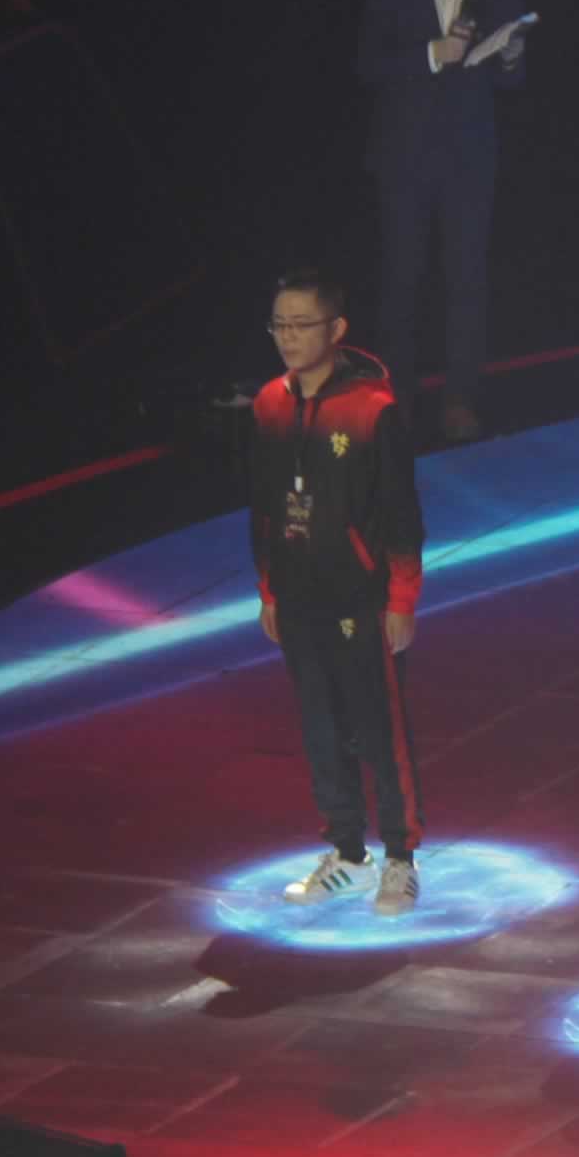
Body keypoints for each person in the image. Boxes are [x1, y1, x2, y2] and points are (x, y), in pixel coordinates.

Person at [251, 269, 427, 915]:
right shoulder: (269, 404)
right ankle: (348, 853)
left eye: (302, 324)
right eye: (280, 325)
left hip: (361, 594)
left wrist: (401, 599)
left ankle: (401, 858)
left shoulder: (372, 410)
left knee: (377, 728)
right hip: (298, 594)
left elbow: (401, 513)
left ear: (336, 329)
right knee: (321, 727)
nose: (289, 337)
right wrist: (269, 589)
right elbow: (264, 506)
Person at [356, 0, 526, 444]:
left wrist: (510, 56)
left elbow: (512, 80)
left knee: (467, 281)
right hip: (403, 157)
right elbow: (367, 65)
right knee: (401, 280)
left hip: (470, 157)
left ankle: (460, 399)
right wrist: (433, 53)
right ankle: (395, 400)